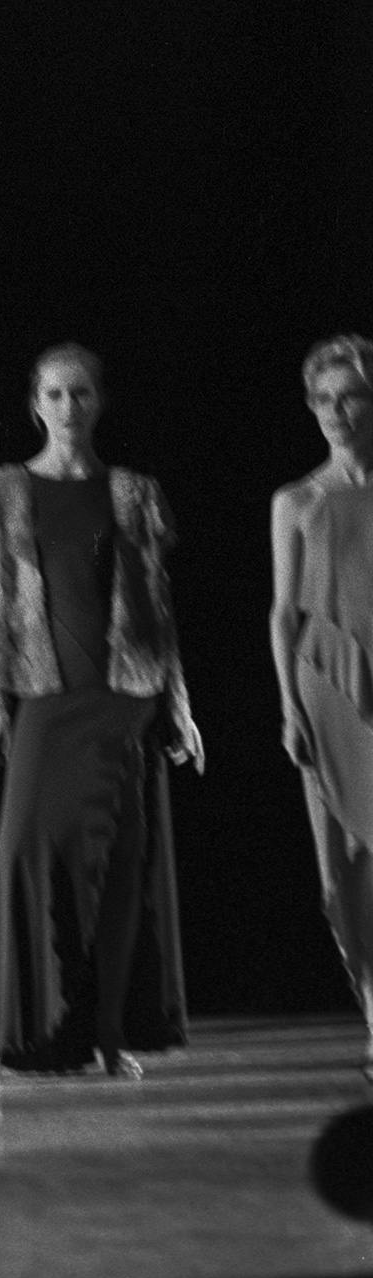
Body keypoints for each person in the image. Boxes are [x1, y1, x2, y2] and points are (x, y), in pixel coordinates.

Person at [0, 343, 201, 1085]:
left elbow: (159, 613)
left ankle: (106, 1036)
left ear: (100, 402)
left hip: (127, 693)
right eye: (56, 395)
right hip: (46, 693)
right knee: (31, 854)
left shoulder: (133, 492)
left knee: (121, 865)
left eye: (83, 394)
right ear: (37, 403)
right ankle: (14, 1032)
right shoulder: (2, 493)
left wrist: (180, 707)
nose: (70, 408)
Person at [270, 334, 373, 1081]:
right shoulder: (296, 498)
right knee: (340, 870)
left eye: (352, 395)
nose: (337, 411)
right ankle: (372, 1009)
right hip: (324, 686)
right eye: (324, 399)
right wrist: (287, 707)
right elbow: (281, 611)